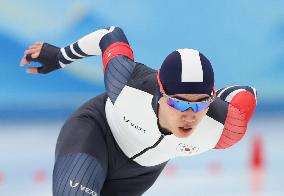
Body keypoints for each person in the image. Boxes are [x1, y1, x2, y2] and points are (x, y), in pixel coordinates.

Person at [19, 26, 257, 196]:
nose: (189, 115)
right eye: (178, 103)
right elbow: (108, 35)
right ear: (161, 94)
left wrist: (221, 98)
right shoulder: (127, 86)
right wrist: (60, 56)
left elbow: (245, 94)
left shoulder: (222, 128)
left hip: (138, 175)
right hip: (95, 135)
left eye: (199, 104)